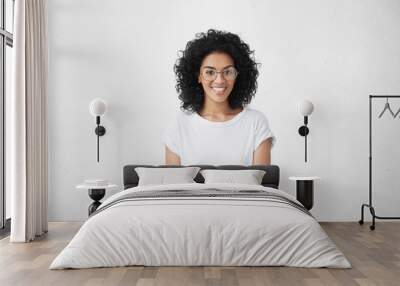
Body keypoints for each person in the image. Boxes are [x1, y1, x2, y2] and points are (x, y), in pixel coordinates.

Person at [163, 29, 275, 166]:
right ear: (198, 75)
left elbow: (262, 185)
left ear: (238, 75)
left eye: (228, 72)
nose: (220, 80)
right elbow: (172, 186)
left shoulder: (256, 123)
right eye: (210, 72)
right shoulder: (179, 125)